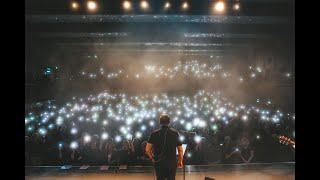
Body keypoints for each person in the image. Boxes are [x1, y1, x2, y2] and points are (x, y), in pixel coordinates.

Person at [146, 114, 184, 180]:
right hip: (171, 163)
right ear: (169, 122)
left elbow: (147, 149)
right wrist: (180, 160)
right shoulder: (175, 133)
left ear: (160, 122)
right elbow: (180, 149)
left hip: (159, 163)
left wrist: (152, 158)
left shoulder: (154, 133)